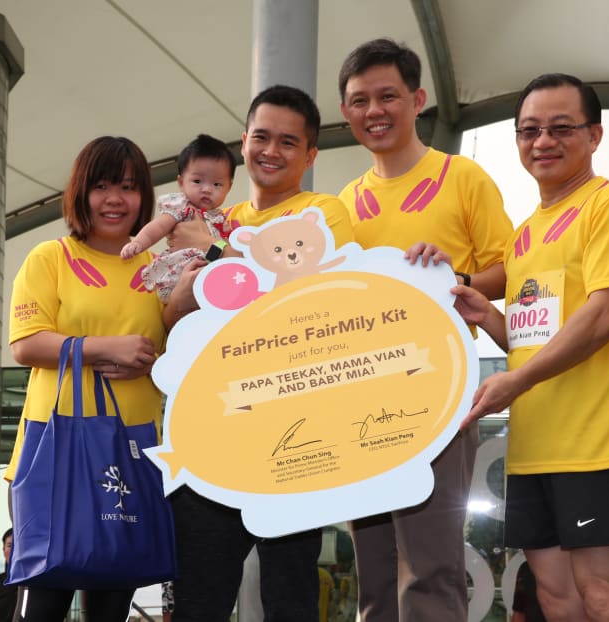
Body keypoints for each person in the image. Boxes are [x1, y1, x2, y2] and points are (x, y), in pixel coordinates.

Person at [448, 74, 609, 622]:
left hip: (599, 440)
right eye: (530, 130)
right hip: (535, 445)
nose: (543, 141)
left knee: (603, 595)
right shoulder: (524, 234)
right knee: (555, 597)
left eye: (562, 128)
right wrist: (488, 315)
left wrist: (515, 382)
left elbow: (607, 312)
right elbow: (532, 339)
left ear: (595, 135)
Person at [336, 38, 514, 622]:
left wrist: (456, 277)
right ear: (346, 112)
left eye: (388, 96)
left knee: (431, 566)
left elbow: (509, 268)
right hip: (361, 392)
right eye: (359, 100)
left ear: (417, 99)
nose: (374, 111)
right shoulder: (343, 205)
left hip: (438, 391)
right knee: (374, 569)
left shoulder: (462, 177)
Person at [163, 84, 355, 622]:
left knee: (290, 596)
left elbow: (303, 302)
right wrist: (176, 302)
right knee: (199, 596)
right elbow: (174, 323)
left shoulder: (323, 214)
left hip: (293, 434)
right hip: (208, 433)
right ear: (243, 141)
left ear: (311, 154)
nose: (271, 151)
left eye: (288, 142)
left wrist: (213, 253)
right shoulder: (220, 214)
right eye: (261, 137)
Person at [5, 136, 166, 622]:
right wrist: (102, 348)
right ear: (79, 193)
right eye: (101, 186)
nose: (115, 199)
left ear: (144, 198)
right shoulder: (49, 258)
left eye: (128, 187)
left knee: (113, 603)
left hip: (131, 451)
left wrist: (149, 362)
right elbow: (26, 343)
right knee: (43, 600)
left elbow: (181, 353)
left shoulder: (161, 268)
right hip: (53, 449)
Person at [120, 134, 236, 302]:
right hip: (181, 274)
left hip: (212, 276)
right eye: (197, 181)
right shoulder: (183, 209)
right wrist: (138, 243)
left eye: (217, 184)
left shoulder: (222, 219)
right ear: (181, 183)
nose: (206, 189)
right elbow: (158, 227)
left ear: (229, 187)